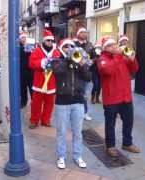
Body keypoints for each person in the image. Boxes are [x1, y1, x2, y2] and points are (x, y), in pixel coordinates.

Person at [97, 36, 140, 157]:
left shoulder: (121, 57)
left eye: (114, 45)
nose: (114, 47)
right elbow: (108, 70)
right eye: (111, 46)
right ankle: (110, 146)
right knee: (110, 124)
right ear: (106, 48)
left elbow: (135, 69)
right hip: (111, 98)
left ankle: (127, 143)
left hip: (125, 96)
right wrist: (118, 56)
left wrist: (132, 59)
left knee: (128, 121)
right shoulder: (102, 59)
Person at [52, 38, 91, 169]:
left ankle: (78, 156)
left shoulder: (79, 60)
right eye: (66, 46)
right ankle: (61, 156)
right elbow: (57, 71)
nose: (69, 48)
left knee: (77, 132)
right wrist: (68, 59)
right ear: (61, 48)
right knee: (61, 132)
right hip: (62, 102)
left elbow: (88, 77)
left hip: (78, 102)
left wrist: (81, 64)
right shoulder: (57, 60)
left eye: (71, 46)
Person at [29, 30, 61, 128]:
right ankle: (34, 120)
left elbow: (59, 65)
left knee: (50, 103)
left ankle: (46, 120)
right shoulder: (37, 51)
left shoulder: (56, 52)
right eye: (48, 41)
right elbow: (31, 63)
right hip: (39, 82)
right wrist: (42, 62)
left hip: (51, 82)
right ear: (44, 41)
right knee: (36, 103)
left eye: (51, 41)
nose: (50, 43)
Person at [74, 27, 94, 121]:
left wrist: (91, 61)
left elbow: (95, 57)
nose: (84, 34)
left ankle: (85, 112)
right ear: (78, 34)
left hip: (86, 72)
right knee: (75, 92)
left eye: (85, 32)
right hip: (75, 72)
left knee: (85, 94)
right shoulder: (73, 44)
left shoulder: (90, 45)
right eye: (81, 32)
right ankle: (75, 112)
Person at [19, 32, 33, 108]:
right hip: (22, 71)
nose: (24, 39)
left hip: (30, 71)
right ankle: (23, 102)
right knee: (23, 88)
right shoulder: (18, 47)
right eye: (22, 38)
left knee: (32, 88)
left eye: (25, 38)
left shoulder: (30, 46)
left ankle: (33, 101)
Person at [91, 40, 102, 104]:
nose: (98, 48)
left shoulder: (102, 52)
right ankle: (93, 97)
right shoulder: (92, 52)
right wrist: (95, 59)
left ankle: (97, 98)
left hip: (100, 71)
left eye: (99, 47)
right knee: (95, 85)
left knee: (99, 86)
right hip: (94, 71)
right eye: (97, 47)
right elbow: (90, 60)